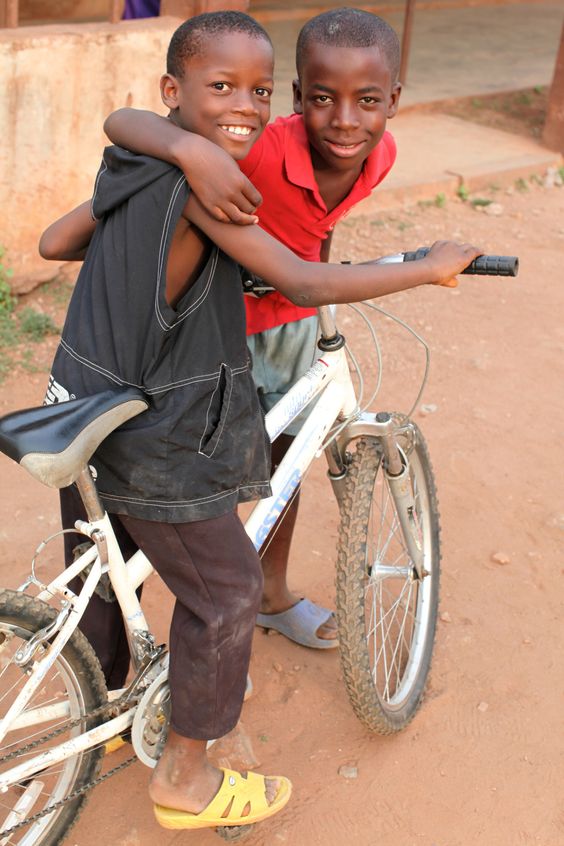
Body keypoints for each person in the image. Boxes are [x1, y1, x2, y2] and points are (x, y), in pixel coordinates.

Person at [39, 10, 481, 831]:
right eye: (221, 89)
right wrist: (425, 268)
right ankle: (186, 776)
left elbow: (55, 239)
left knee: (106, 570)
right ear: (176, 92)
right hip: (151, 428)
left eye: (257, 91)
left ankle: (94, 716)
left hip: (81, 395)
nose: (244, 105)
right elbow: (302, 284)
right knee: (227, 590)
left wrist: (148, 232)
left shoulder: (135, 158)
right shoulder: (211, 186)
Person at [103, 7, 402, 650]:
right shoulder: (256, 141)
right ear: (298, 98)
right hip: (216, 334)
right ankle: (193, 614)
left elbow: (316, 224)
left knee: (284, 460)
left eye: (368, 101)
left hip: (293, 321)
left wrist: (312, 271)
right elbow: (125, 124)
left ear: (394, 102)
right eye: (323, 99)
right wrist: (187, 147)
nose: (346, 121)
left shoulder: (378, 156)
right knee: (203, 473)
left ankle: (269, 593)